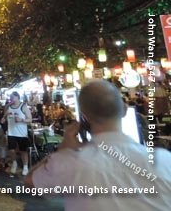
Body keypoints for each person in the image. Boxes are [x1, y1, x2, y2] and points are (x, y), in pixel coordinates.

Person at [25, 80, 171, 210]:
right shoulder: (164, 160)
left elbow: (30, 183)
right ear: (125, 110)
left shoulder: (67, 162)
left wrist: (63, 150)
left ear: (84, 117)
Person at [1, 91, 32, 176]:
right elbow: (4, 117)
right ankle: (14, 163)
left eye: (13, 97)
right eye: (10, 97)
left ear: (18, 97)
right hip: (11, 132)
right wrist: (3, 119)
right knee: (11, 149)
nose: (11, 99)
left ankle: (25, 167)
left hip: (22, 133)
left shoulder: (23, 106)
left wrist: (21, 120)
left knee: (23, 151)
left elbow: (30, 119)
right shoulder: (8, 107)